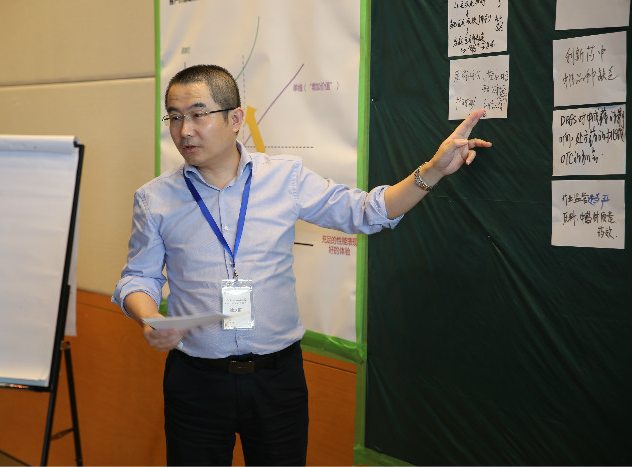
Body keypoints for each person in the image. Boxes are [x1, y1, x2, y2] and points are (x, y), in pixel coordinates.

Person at [112, 64, 491, 466]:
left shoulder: (285, 178)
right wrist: (150, 317)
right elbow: (138, 277)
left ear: (235, 119)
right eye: (174, 117)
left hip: (277, 379)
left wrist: (433, 170)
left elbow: (366, 211)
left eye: (197, 114)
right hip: (196, 381)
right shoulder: (155, 198)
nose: (184, 130)